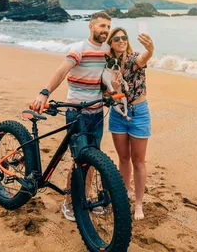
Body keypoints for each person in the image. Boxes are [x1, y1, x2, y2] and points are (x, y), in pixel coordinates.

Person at [31, 11, 113, 222]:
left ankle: (84, 198)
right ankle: (68, 202)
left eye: (108, 27)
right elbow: (61, 71)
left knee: (93, 158)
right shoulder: (79, 49)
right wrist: (44, 92)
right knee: (79, 160)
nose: (105, 30)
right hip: (76, 113)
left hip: (96, 112)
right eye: (101, 26)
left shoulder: (108, 50)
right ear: (91, 27)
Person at [106, 27, 154, 220]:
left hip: (139, 113)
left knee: (139, 161)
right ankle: (124, 196)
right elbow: (107, 92)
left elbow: (144, 58)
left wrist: (150, 50)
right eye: (116, 38)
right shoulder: (108, 65)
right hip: (118, 114)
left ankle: (139, 204)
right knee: (124, 159)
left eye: (124, 37)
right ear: (111, 43)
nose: (121, 40)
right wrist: (114, 89)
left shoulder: (134, 58)